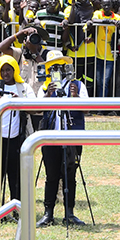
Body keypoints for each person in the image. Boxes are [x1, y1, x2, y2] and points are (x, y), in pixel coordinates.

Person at [36, 50, 87, 227]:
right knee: (51, 175)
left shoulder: (77, 85)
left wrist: (75, 97)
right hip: (51, 138)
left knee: (70, 175)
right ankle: (48, 213)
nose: (57, 69)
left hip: (71, 136)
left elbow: (87, 109)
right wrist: (47, 96)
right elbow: (36, 110)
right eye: (53, 67)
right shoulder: (45, 87)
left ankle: (69, 213)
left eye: (61, 66)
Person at [0, 55, 36, 208]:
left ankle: (16, 208)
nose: (5, 74)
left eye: (8, 70)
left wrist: (20, 101)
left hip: (17, 138)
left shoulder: (24, 88)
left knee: (16, 176)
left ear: (14, 70)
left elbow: (35, 110)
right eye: (2, 70)